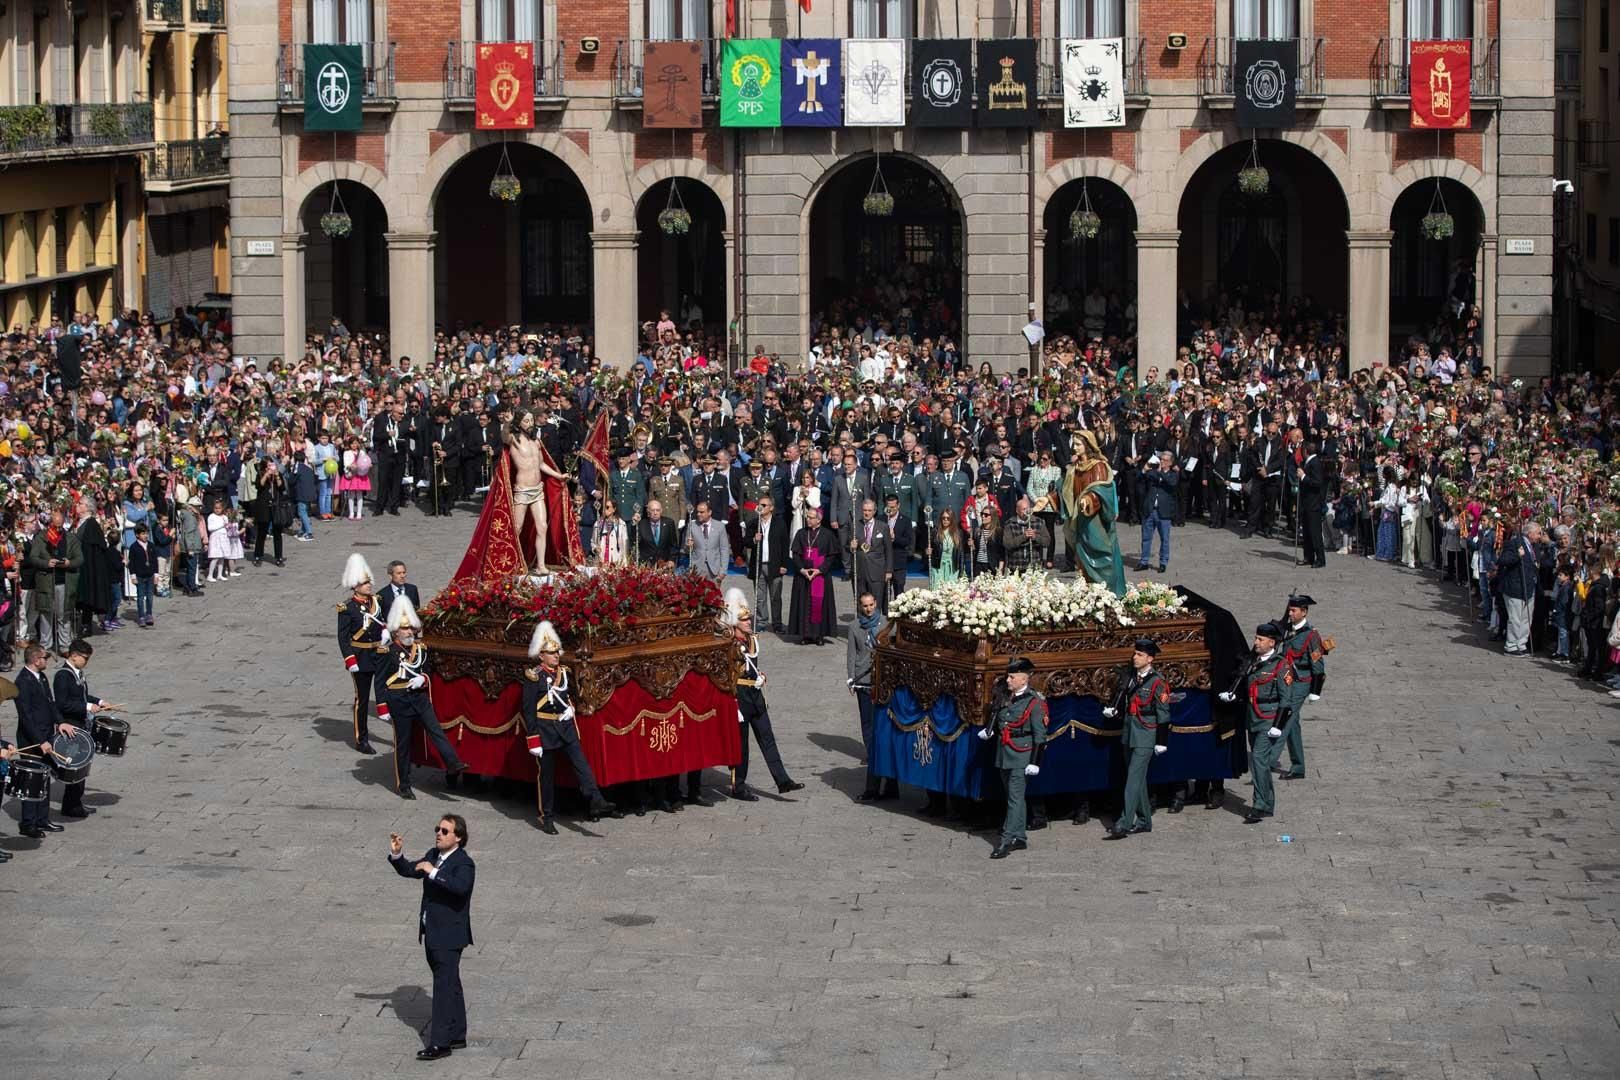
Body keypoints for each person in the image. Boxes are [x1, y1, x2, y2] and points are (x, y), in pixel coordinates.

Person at [387, 815, 475, 1061]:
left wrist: (434, 872)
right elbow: (411, 870)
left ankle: (440, 1043)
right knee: (451, 984)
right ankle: (457, 1034)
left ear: (458, 837)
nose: (439, 833)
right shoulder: (433, 855)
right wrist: (397, 855)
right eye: (437, 829)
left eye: (445, 831)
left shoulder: (464, 864)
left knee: (443, 988)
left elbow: (459, 888)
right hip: (432, 933)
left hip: (448, 936)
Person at [521, 621, 618, 834]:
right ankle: (547, 816)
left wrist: (570, 709)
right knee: (546, 777)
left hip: (565, 728)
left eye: (557, 652)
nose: (556, 656)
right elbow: (528, 710)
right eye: (551, 653)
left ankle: (596, 800)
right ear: (541, 656)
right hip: (545, 730)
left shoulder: (563, 672)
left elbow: (567, 696)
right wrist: (533, 738)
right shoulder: (533, 676)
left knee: (581, 765)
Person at [375, 595, 468, 799]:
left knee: (436, 732)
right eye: (405, 629)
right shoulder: (387, 651)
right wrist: (382, 706)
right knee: (403, 743)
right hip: (399, 699)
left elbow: (427, 670)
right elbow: (380, 679)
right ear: (395, 631)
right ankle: (404, 784)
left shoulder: (421, 649)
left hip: (419, 697)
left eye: (411, 628)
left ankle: (453, 763)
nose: (409, 632)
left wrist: (423, 680)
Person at [724, 588, 803, 800]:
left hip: (756, 697)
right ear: (734, 622)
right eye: (744, 620)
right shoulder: (729, 645)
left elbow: (751, 666)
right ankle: (738, 786)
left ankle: (783, 781)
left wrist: (759, 675)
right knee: (741, 748)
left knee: (768, 739)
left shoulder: (752, 640)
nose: (749, 622)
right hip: (739, 699)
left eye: (748, 618)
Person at [1219, 622, 1294, 825]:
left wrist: (1278, 725)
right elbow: (1246, 687)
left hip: (1269, 719)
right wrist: (1233, 696)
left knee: (1259, 760)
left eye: (1261, 639)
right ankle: (1268, 804)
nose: (1256, 642)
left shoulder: (1280, 665)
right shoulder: (1252, 662)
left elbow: (1286, 700)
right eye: (1256, 638)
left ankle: (1259, 805)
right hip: (1252, 717)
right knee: (1260, 762)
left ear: (1272, 642)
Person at [977, 656, 1048, 860]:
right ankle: (1020, 836)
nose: (1008, 680)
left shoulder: (1034, 702)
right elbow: (1000, 720)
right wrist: (989, 731)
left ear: (1024, 679)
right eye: (1008, 676)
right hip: (1004, 753)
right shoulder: (1005, 697)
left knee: (1014, 798)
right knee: (1013, 797)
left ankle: (1006, 839)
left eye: (1012, 677)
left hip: (1021, 753)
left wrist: (1035, 762)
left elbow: (1039, 736)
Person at [1101, 639, 1172, 839]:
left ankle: (1124, 822)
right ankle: (1144, 820)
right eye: (1135, 654)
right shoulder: (1131, 678)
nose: (1135, 657)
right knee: (1138, 780)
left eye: (1139, 655)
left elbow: (1164, 714)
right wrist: (1113, 711)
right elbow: (1125, 704)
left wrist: (1162, 741)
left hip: (1146, 735)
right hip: (1129, 733)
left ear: (1150, 659)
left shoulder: (1157, 682)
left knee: (1132, 779)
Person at [12, 643, 77, 838]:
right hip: (31, 741)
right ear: (35, 659)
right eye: (44, 658)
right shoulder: (22, 682)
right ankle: (28, 823)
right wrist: (40, 741)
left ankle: (42, 819)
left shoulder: (41, 678)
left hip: (46, 735)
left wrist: (61, 722)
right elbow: (26, 717)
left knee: (45, 779)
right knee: (31, 780)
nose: (47, 661)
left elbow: (50, 704)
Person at [1060, 430, 1127, 596]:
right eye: (1073, 444)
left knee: (1102, 556)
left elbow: (1101, 489)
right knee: (1082, 560)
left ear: (1087, 445)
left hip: (1095, 522)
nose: (1074, 447)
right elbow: (1063, 488)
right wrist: (1048, 499)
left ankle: (1109, 592)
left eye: (1078, 444)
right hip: (1079, 520)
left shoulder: (1098, 466)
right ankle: (1090, 594)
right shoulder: (1074, 469)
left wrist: (1089, 500)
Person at [846, 591, 897, 802]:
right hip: (863, 680)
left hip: (883, 681)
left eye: (871, 605)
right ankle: (870, 753)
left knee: (884, 727)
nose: (868, 609)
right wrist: (850, 678)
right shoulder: (854, 627)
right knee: (867, 723)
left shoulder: (887, 623)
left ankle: (888, 783)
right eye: (864, 606)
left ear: (876, 604)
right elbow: (851, 653)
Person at [505, 411, 570, 570]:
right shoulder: (515, 439)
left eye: (531, 420)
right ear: (519, 423)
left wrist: (559, 475)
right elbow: (504, 435)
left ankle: (541, 565)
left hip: (537, 489)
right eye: (526, 421)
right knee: (517, 528)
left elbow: (541, 464)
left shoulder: (536, 441)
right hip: (522, 490)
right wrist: (507, 423)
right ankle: (512, 563)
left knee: (542, 526)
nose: (530, 423)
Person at [337, 553, 385, 755]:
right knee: (363, 699)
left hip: (380, 654)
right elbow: (343, 637)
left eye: (369, 582)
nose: (369, 586)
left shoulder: (377, 602)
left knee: (387, 695)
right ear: (355, 586)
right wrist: (350, 659)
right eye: (365, 583)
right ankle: (361, 738)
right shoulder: (347, 608)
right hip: (362, 657)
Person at [53, 638, 106, 818]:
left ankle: (77, 801)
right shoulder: (63, 675)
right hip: (71, 726)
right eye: (85, 658)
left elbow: (82, 695)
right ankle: (71, 805)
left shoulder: (77, 673)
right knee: (75, 767)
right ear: (74, 655)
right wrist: (87, 707)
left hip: (81, 725)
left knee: (83, 765)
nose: (86, 662)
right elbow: (62, 703)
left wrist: (98, 701)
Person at [1277, 593, 1328, 780]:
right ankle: (1298, 766)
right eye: (1289, 610)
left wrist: (1315, 691)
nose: (1290, 613)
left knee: (1284, 719)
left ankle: (1266, 761)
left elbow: (1318, 664)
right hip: (1287, 679)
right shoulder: (1287, 630)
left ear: (1304, 612)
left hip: (1302, 682)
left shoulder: (1311, 635)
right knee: (1293, 724)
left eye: (1293, 610)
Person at [26, 505, 82, 655]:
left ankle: (65, 646)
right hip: (46, 581)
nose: (57, 529)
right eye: (54, 525)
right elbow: (33, 558)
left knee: (64, 614)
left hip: (64, 581)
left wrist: (69, 563)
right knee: (46, 614)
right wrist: (46, 563)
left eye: (59, 525)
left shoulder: (70, 538)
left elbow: (80, 558)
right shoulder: (42, 537)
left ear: (63, 523)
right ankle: (45, 645)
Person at [788, 507, 839, 645]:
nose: (808, 519)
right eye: (807, 517)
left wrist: (820, 570)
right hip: (803, 576)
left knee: (819, 605)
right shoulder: (801, 533)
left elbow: (831, 556)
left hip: (820, 576)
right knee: (804, 604)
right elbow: (796, 554)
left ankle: (818, 635)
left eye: (811, 517)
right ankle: (805, 635)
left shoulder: (827, 535)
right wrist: (802, 569)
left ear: (819, 519)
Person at [745, 494, 790, 633]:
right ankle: (761, 621)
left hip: (775, 564)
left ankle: (777, 623)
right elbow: (745, 541)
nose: (761, 507)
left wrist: (784, 564)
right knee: (760, 596)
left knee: (775, 596)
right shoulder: (753, 523)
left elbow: (785, 545)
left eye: (764, 505)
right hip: (758, 564)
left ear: (771, 508)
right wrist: (754, 540)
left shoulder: (780, 523)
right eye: (760, 504)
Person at [1498, 522, 1541, 656]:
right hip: (1516, 587)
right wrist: (1517, 555)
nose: (1540, 536)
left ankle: (1521, 644)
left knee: (1526, 619)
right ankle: (1511, 645)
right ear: (1530, 533)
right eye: (1538, 533)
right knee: (1515, 618)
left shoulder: (1534, 546)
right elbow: (1503, 560)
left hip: (1529, 587)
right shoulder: (1515, 543)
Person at [1136, 450, 1178, 573]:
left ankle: (1163, 562)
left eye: (1165, 460)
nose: (1162, 462)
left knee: (1164, 538)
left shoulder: (1173, 474)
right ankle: (1144, 561)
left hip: (1164, 512)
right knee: (1146, 537)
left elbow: (1171, 483)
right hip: (1150, 509)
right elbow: (1139, 478)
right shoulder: (1153, 473)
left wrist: (1160, 472)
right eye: (1161, 459)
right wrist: (1144, 469)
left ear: (1170, 463)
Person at [847, 499, 892, 612]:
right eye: (864, 510)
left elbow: (888, 550)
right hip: (860, 570)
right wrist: (852, 547)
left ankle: (876, 626)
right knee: (860, 602)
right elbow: (847, 547)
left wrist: (888, 570)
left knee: (876, 601)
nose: (866, 513)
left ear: (874, 511)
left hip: (877, 571)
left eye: (869, 510)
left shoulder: (883, 527)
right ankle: (862, 626)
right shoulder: (855, 525)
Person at [1296, 441, 1328, 568]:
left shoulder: (1315, 463)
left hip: (1314, 503)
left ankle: (1320, 559)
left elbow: (1317, 483)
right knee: (1307, 532)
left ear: (1306, 451)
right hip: (1306, 502)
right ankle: (1308, 556)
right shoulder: (1307, 462)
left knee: (1315, 533)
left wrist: (1303, 477)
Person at [687, 500, 730, 589]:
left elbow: (724, 549)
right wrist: (688, 545)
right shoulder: (691, 525)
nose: (698, 514)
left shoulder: (720, 526)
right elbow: (687, 549)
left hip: (714, 570)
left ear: (709, 512)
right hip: (697, 569)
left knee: (714, 599)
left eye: (702, 512)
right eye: (697, 512)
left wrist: (723, 571)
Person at [1001, 496, 1049, 572]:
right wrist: (1024, 536)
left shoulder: (1038, 522)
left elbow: (1047, 542)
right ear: (1017, 510)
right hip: (1016, 567)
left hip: (1035, 567)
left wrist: (1035, 537)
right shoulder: (1009, 524)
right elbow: (1007, 544)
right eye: (1023, 509)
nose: (1027, 511)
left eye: (1028, 508)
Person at [127, 525, 157, 627]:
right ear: (137, 535)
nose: (146, 536)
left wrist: (156, 575)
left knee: (150, 596)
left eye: (147, 533)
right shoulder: (133, 547)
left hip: (150, 575)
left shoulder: (151, 546)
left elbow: (154, 561)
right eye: (143, 534)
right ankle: (141, 616)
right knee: (140, 597)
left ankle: (149, 614)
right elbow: (131, 563)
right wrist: (133, 576)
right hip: (139, 576)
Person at [636, 499, 679, 568]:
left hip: (665, 564)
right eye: (653, 510)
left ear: (661, 511)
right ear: (648, 511)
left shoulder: (669, 523)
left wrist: (672, 560)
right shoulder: (641, 524)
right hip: (646, 565)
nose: (655, 513)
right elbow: (635, 544)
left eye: (658, 510)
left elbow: (673, 545)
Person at [928, 508, 965, 586]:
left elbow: (961, 554)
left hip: (953, 567)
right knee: (937, 591)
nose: (945, 520)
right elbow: (928, 548)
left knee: (951, 592)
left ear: (952, 519)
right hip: (938, 567)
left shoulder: (958, 533)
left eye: (948, 518)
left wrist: (961, 571)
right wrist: (927, 552)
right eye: (943, 518)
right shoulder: (935, 531)